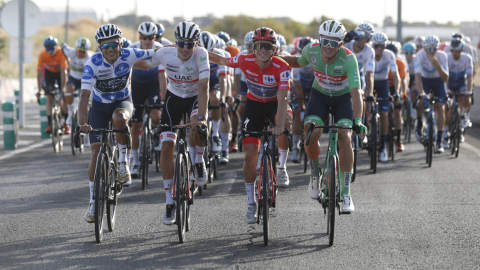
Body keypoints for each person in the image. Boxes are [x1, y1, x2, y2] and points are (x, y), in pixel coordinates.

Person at [280, 20, 367, 213]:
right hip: (319, 97)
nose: (328, 47)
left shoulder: (349, 59)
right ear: (319, 40)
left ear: (341, 45)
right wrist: (276, 56)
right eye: (325, 41)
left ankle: (345, 192)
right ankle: (314, 173)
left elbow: (356, 93)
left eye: (334, 43)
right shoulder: (310, 51)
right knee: (310, 132)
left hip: (342, 99)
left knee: (345, 135)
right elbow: (296, 62)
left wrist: (358, 120)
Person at [208, 27, 293, 223]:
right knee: (250, 157)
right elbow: (221, 60)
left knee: (286, 121)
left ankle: (281, 167)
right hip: (254, 106)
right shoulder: (244, 60)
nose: (263, 50)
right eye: (259, 46)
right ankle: (251, 202)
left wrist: (279, 125)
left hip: (274, 105)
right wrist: (198, 50)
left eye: (268, 46)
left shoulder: (282, 67)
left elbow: (282, 99)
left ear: (274, 49)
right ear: (253, 48)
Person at [79, 24, 158, 222]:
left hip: (122, 102)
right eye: (106, 46)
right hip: (98, 108)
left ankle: (123, 161)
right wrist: (82, 123)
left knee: (119, 119)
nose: (111, 49)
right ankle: (92, 202)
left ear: (120, 43)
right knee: (96, 154)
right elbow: (84, 96)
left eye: (114, 44)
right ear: (99, 48)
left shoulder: (129, 54)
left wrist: (178, 47)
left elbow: (155, 52)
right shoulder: (92, 64)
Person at [134, 21, 209, 225]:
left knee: (198, 127)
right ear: (175, 42)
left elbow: (203, 88)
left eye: (189, 44)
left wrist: (201, 118)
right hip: (173, 100)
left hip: (194, 97)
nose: (185, 48)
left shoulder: (201, 54)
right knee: (167, 148)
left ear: (196, 43)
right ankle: (169, 202)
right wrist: (119, 61)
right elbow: (143, 63)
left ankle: (198, 162)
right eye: (181, 43)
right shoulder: (164, 53)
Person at [128, 22, 167, 182]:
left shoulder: (160, 49)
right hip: (136, 86)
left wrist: (164, 99)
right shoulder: (132, 48)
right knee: (135, 125)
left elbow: (162, 76)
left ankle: (156, 134)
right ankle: (135, 162)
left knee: (156, 114)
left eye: (151, 37)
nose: (148, 40)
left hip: (153, 85)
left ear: (155, 36)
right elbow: (127, 74)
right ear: (140, 37)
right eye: (144, 37)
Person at [414, 35, 449, 153]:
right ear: (424, 48)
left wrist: (437, 65)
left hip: (438, 81)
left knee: (441, 107)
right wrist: (421, 93)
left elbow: (445, 78)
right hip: (424, 81)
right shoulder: (419, 55)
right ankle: (419, 123)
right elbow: (417, 77)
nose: (432, 51)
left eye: (434, 48)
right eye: (429, 48)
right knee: (421, 100)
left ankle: (439, 140)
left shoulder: (442, 56)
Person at [371, 32, 400, 162]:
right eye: (376, 46)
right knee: (364, 105)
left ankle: (382, 147)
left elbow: (395, 75)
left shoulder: (389, 55)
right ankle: (364, 131)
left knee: (383, 114)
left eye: (382, 46)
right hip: (369, 82)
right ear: (373, 45)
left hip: (383, 84)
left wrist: (397, 92)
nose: (379, 49)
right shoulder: (369, 53)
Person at [36, 36, 68, 135]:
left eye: (52, 48)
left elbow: (64, 72)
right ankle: (50, 124)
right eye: (48, 48)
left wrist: (63, 89)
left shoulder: (61, 53)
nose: (50, 51)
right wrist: (39, 90)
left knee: (63, 98)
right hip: (49, 74)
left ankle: (66, 124)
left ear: (56, 47)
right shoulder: (42, 55)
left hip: (59, 74)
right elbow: (39, 73)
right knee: (49, 97)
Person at [445, 38, 473, 145]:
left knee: (466, 94)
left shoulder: (467, 58)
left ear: (461, 50)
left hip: (461, 81)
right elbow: (445, 76)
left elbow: (469, 76)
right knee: (447, 107)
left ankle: (464, 115)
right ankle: (446, 133)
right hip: (450, 80)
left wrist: (469, 91)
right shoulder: (447, 57)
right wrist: (447, 89)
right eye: (452, 50)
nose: (454, 53)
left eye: (457, 51)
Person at [61, 38, 94, 129]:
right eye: (79, 51)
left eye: (83, 52)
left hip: (84, 78)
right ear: (76, 48)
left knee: (85, 98)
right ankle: (70, 112)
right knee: (68, 90)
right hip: (73, 78)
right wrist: (66, 61)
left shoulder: (89, 57)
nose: (80, 53)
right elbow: (63, 46)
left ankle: (86, 120)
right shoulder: (71, 52)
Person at [290, 37, 314, 163]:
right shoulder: (297, 60)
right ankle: (295, 148)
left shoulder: (317, 59)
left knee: (315, 112)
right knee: (298, 113)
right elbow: (298, 87)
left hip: (314, 86)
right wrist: (302, 107)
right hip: (300, 87)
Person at [386, 41, 409, 152]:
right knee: (382, 112)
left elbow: (403, 80)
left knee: (398, 113)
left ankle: (399, 141)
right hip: (385, 87)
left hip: (396, 87)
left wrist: (403, 93)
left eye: (394, 52)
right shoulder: (383, 61)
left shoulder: (400, 63)